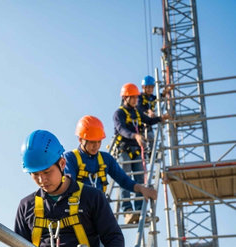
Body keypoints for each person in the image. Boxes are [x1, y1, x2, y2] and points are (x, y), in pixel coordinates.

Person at [5, 130, 124, 247]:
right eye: (35, 174)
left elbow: (114, 238)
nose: (42, 180)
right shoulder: (27, 206)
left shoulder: (91, 198)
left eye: (47, 172)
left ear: (62, 164)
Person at [64, 114, 157, 202]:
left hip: (99, 209)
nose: (96, 146)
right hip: (80, 209)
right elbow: (70, 184)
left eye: (99, 142)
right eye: (92, 142)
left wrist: (141, 189)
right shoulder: (70, 158)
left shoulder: (106, 159)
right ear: (80, 139)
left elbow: (124, 180)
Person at [113, 83, 170, 224]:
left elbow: (149, 120)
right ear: (125, 98)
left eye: (136, 98)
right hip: (124, 150)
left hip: (137, 151)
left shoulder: (136, 112)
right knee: (124, 180)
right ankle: (127, 212)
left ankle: (138, 211)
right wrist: (135, 136)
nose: (135, 100)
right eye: (132, 98)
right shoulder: (119, 113)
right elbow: (121, 130)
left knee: (140, 181)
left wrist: (161, 118)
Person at [137, 75, 172, 153]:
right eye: (148, 87)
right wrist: (148, 111)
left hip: (148, 123)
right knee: (146, 139)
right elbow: (139, 107)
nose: (150, 89)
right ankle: (146, 152)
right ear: (143, 87)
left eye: (151, 87)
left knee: (151, 138)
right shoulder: (139, 97)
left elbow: (158, 98)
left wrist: (165, 92)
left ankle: (151, 154)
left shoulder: (151, 97)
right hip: (140, 124)